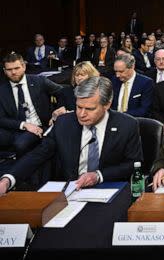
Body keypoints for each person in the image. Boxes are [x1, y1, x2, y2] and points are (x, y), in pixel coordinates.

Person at [0, 76, 143, 194]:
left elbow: (134, 164)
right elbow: (38, 154)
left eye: (89, 109)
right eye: (79, 107)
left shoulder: (127, 125)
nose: (81, 114)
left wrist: (98, 176)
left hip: (108, 188)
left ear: (107, 105)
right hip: (70, 191)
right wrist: (8, 179)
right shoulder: (64, 123)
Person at [0, 53, 63, 157]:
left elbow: (63, 93)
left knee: (20, 144)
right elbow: (1, 118)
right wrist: (24, 125)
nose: (13, 72)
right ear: (4, 71)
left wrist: (59, 110)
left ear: (24, 66)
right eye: (9, 70)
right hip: (15, 126)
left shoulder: (39, 81)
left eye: (16, 68)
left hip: (38, 126)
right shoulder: (2, 90)